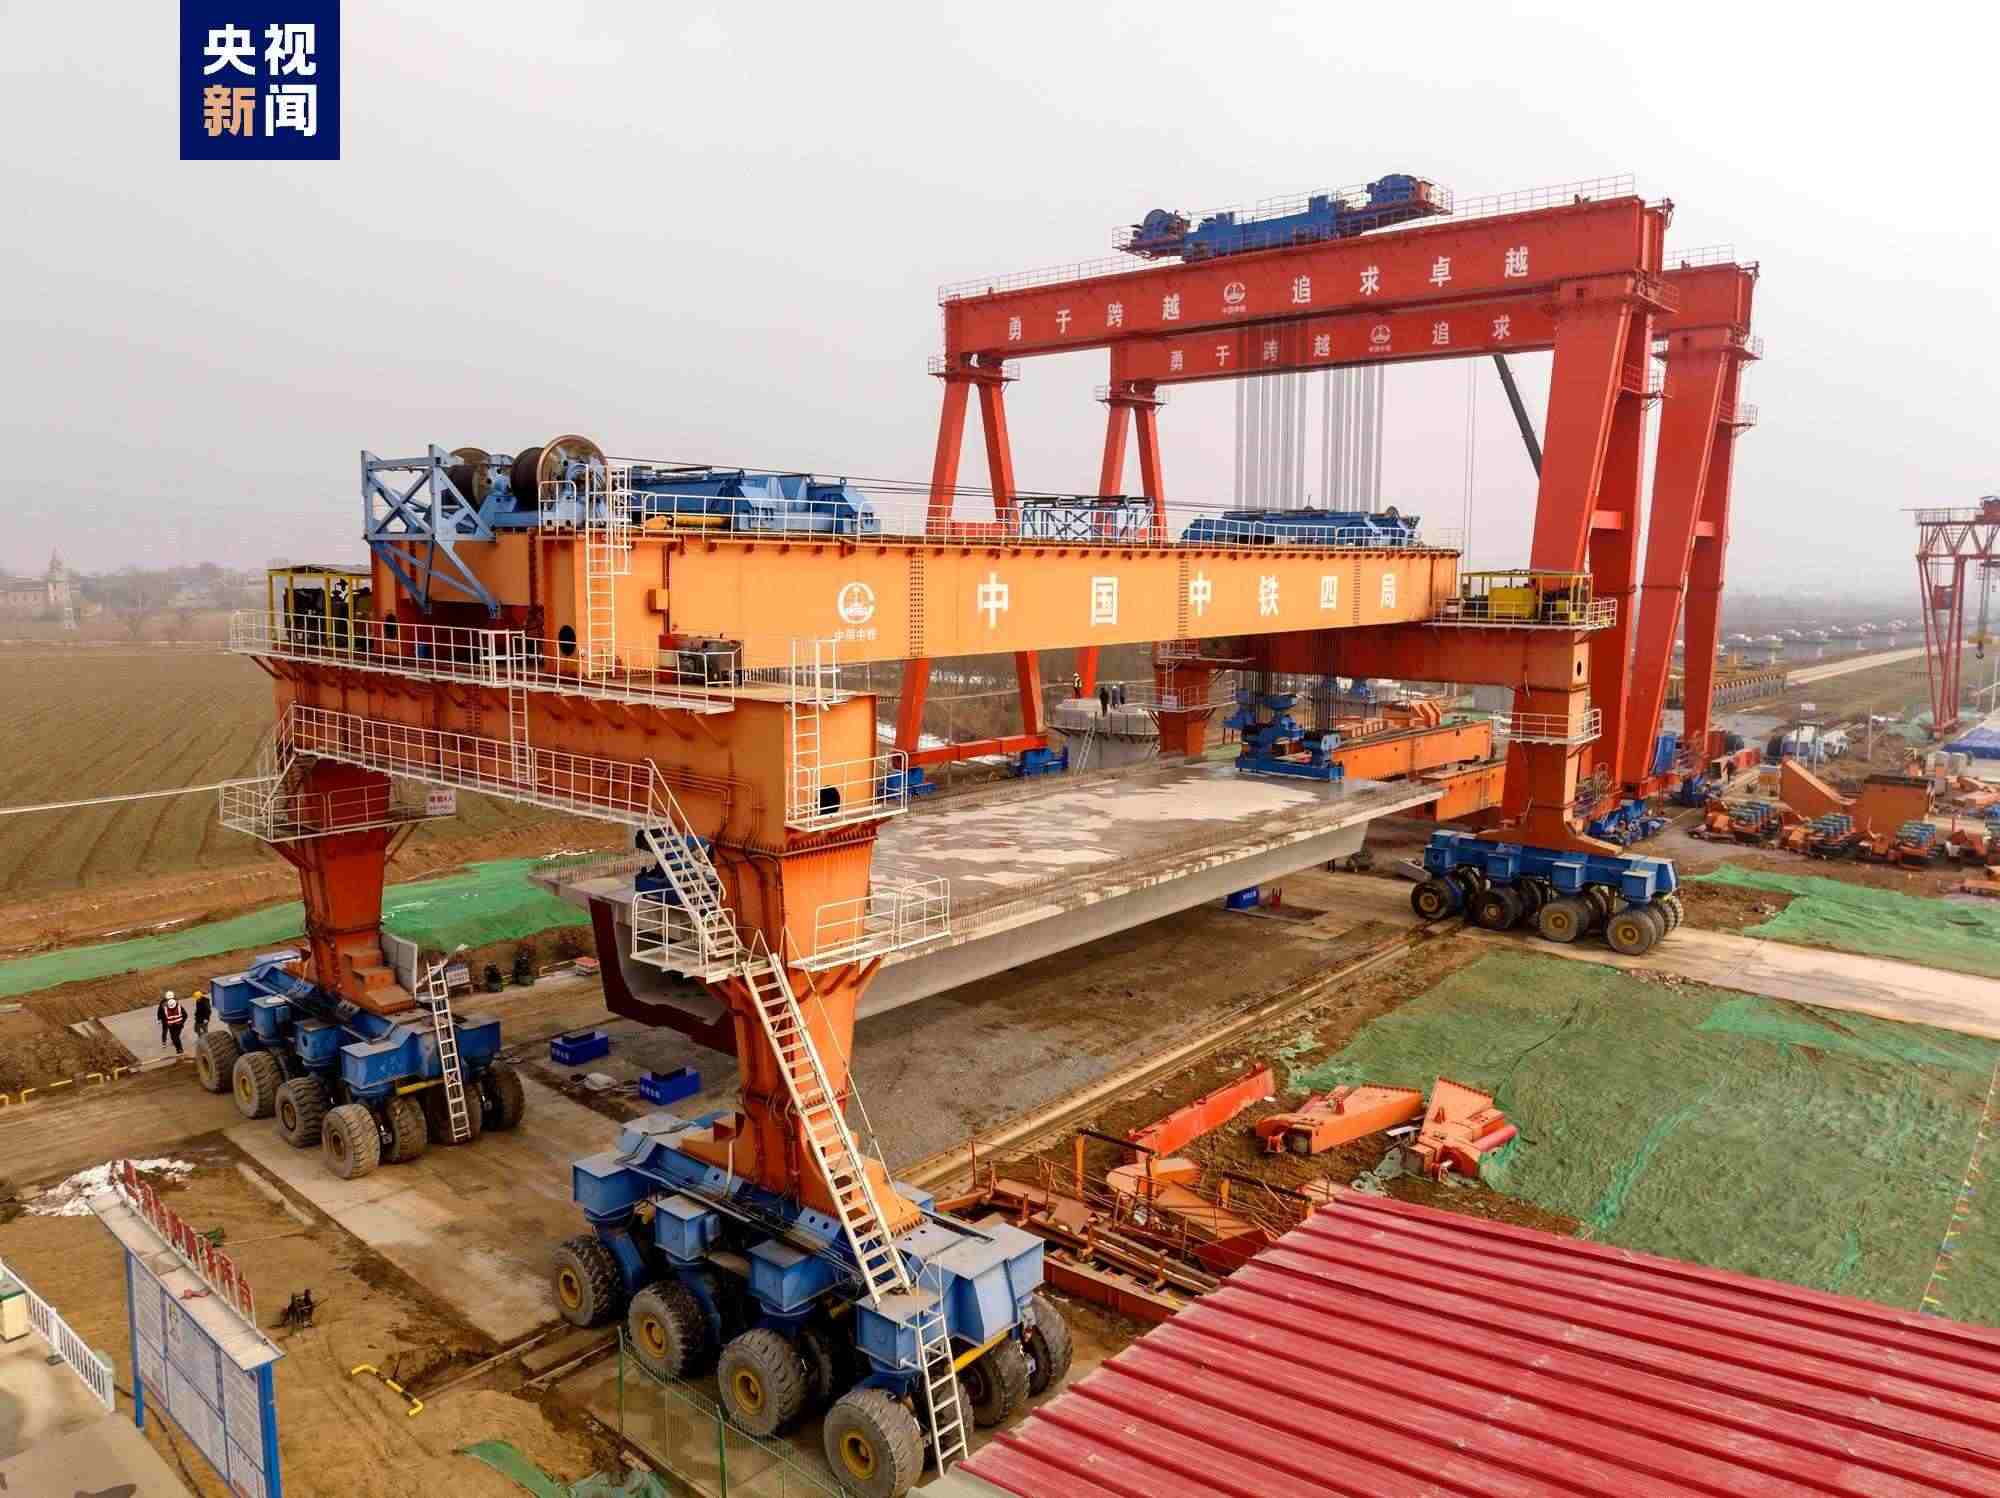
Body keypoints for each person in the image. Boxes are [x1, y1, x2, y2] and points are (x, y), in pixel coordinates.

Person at [157, 990, 187, 1056]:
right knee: (170, 1035)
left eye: (172, 998)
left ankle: (179, 1049)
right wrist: (159, 1019)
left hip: (178, 1025)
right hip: (169, 1023)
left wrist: (182, 1022)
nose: (170, 999)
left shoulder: (177, 1004)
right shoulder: (163, 1005)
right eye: (169, 998)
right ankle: (165, 1042)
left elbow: (184, 1015)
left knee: (176, 1037)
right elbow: (160, 1012)